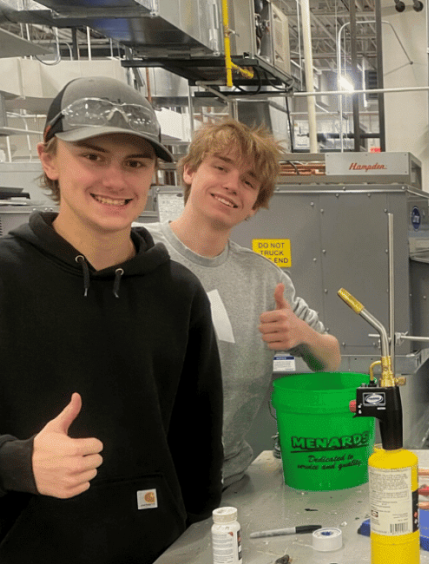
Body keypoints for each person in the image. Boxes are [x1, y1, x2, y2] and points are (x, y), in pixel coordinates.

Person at [0, 76, 223, 564]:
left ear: (154, 173)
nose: (116, 180)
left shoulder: (178, 293)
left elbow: (197, 450)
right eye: (92, 156)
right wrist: (14, 463)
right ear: (49, 158)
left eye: (135, 163)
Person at [140, 118, 341, 486]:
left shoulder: (265, 279)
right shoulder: (135, 251)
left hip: (223, 482)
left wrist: (303, 335)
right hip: (140, 485)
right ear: (189, 171)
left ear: (253, 207)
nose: (232, 185)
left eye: (249, 182)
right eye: (220, 167)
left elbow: (329, 360)